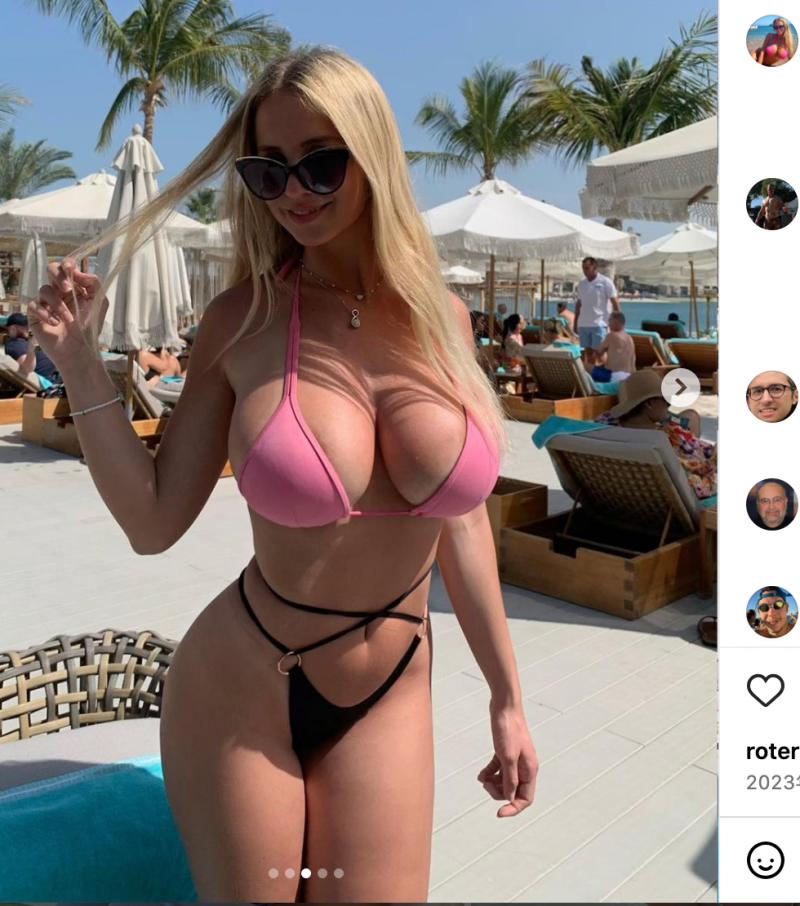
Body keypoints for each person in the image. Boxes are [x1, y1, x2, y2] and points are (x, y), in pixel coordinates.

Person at [30, 46, 537, 902]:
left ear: (371, 154)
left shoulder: (442, 318)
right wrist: (79, 364)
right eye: (268, 171)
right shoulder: (243, 318)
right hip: (244, 686)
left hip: (392, 687)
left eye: (320, 163)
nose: (295, 191)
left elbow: (460, 521)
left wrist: (507, 697)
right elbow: (153, 522)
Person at [595, 370, 716, 500]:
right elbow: (705, 466)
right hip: (662, 498)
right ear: (649, 404)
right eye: (665, 399)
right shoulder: (667, 438)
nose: (669, 404)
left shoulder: (604, 426)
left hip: (619, 495)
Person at [574, 256, 620, 366]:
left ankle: (605, 373)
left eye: (587, 268)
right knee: (588, 355)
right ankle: (592, 375)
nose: (584, 271)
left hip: (599, 324)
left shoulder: (605, 282)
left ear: (595, 267)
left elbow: (615, 302)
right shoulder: (582, 283)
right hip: (584, 324)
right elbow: (579, 303)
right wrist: (576, 322)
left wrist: (617, 323)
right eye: (583, 268)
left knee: (600, 355)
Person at [3, 312, 60, 383]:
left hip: (54, 375)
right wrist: (31, 349)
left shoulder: (19, 342)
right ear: (13, 329)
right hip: (50, 380)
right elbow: (27, 368)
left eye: (27, 325)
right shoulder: (16, 345)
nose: (27, 327)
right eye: (23, 326)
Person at [589, 311, 635, 382]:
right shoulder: (629, 338)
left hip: (614, 375)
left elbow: (598, 353)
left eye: (609, 321)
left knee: (586, 367)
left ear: (615, 323)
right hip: (628, 376)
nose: (608, 324)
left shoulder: (612, 335)